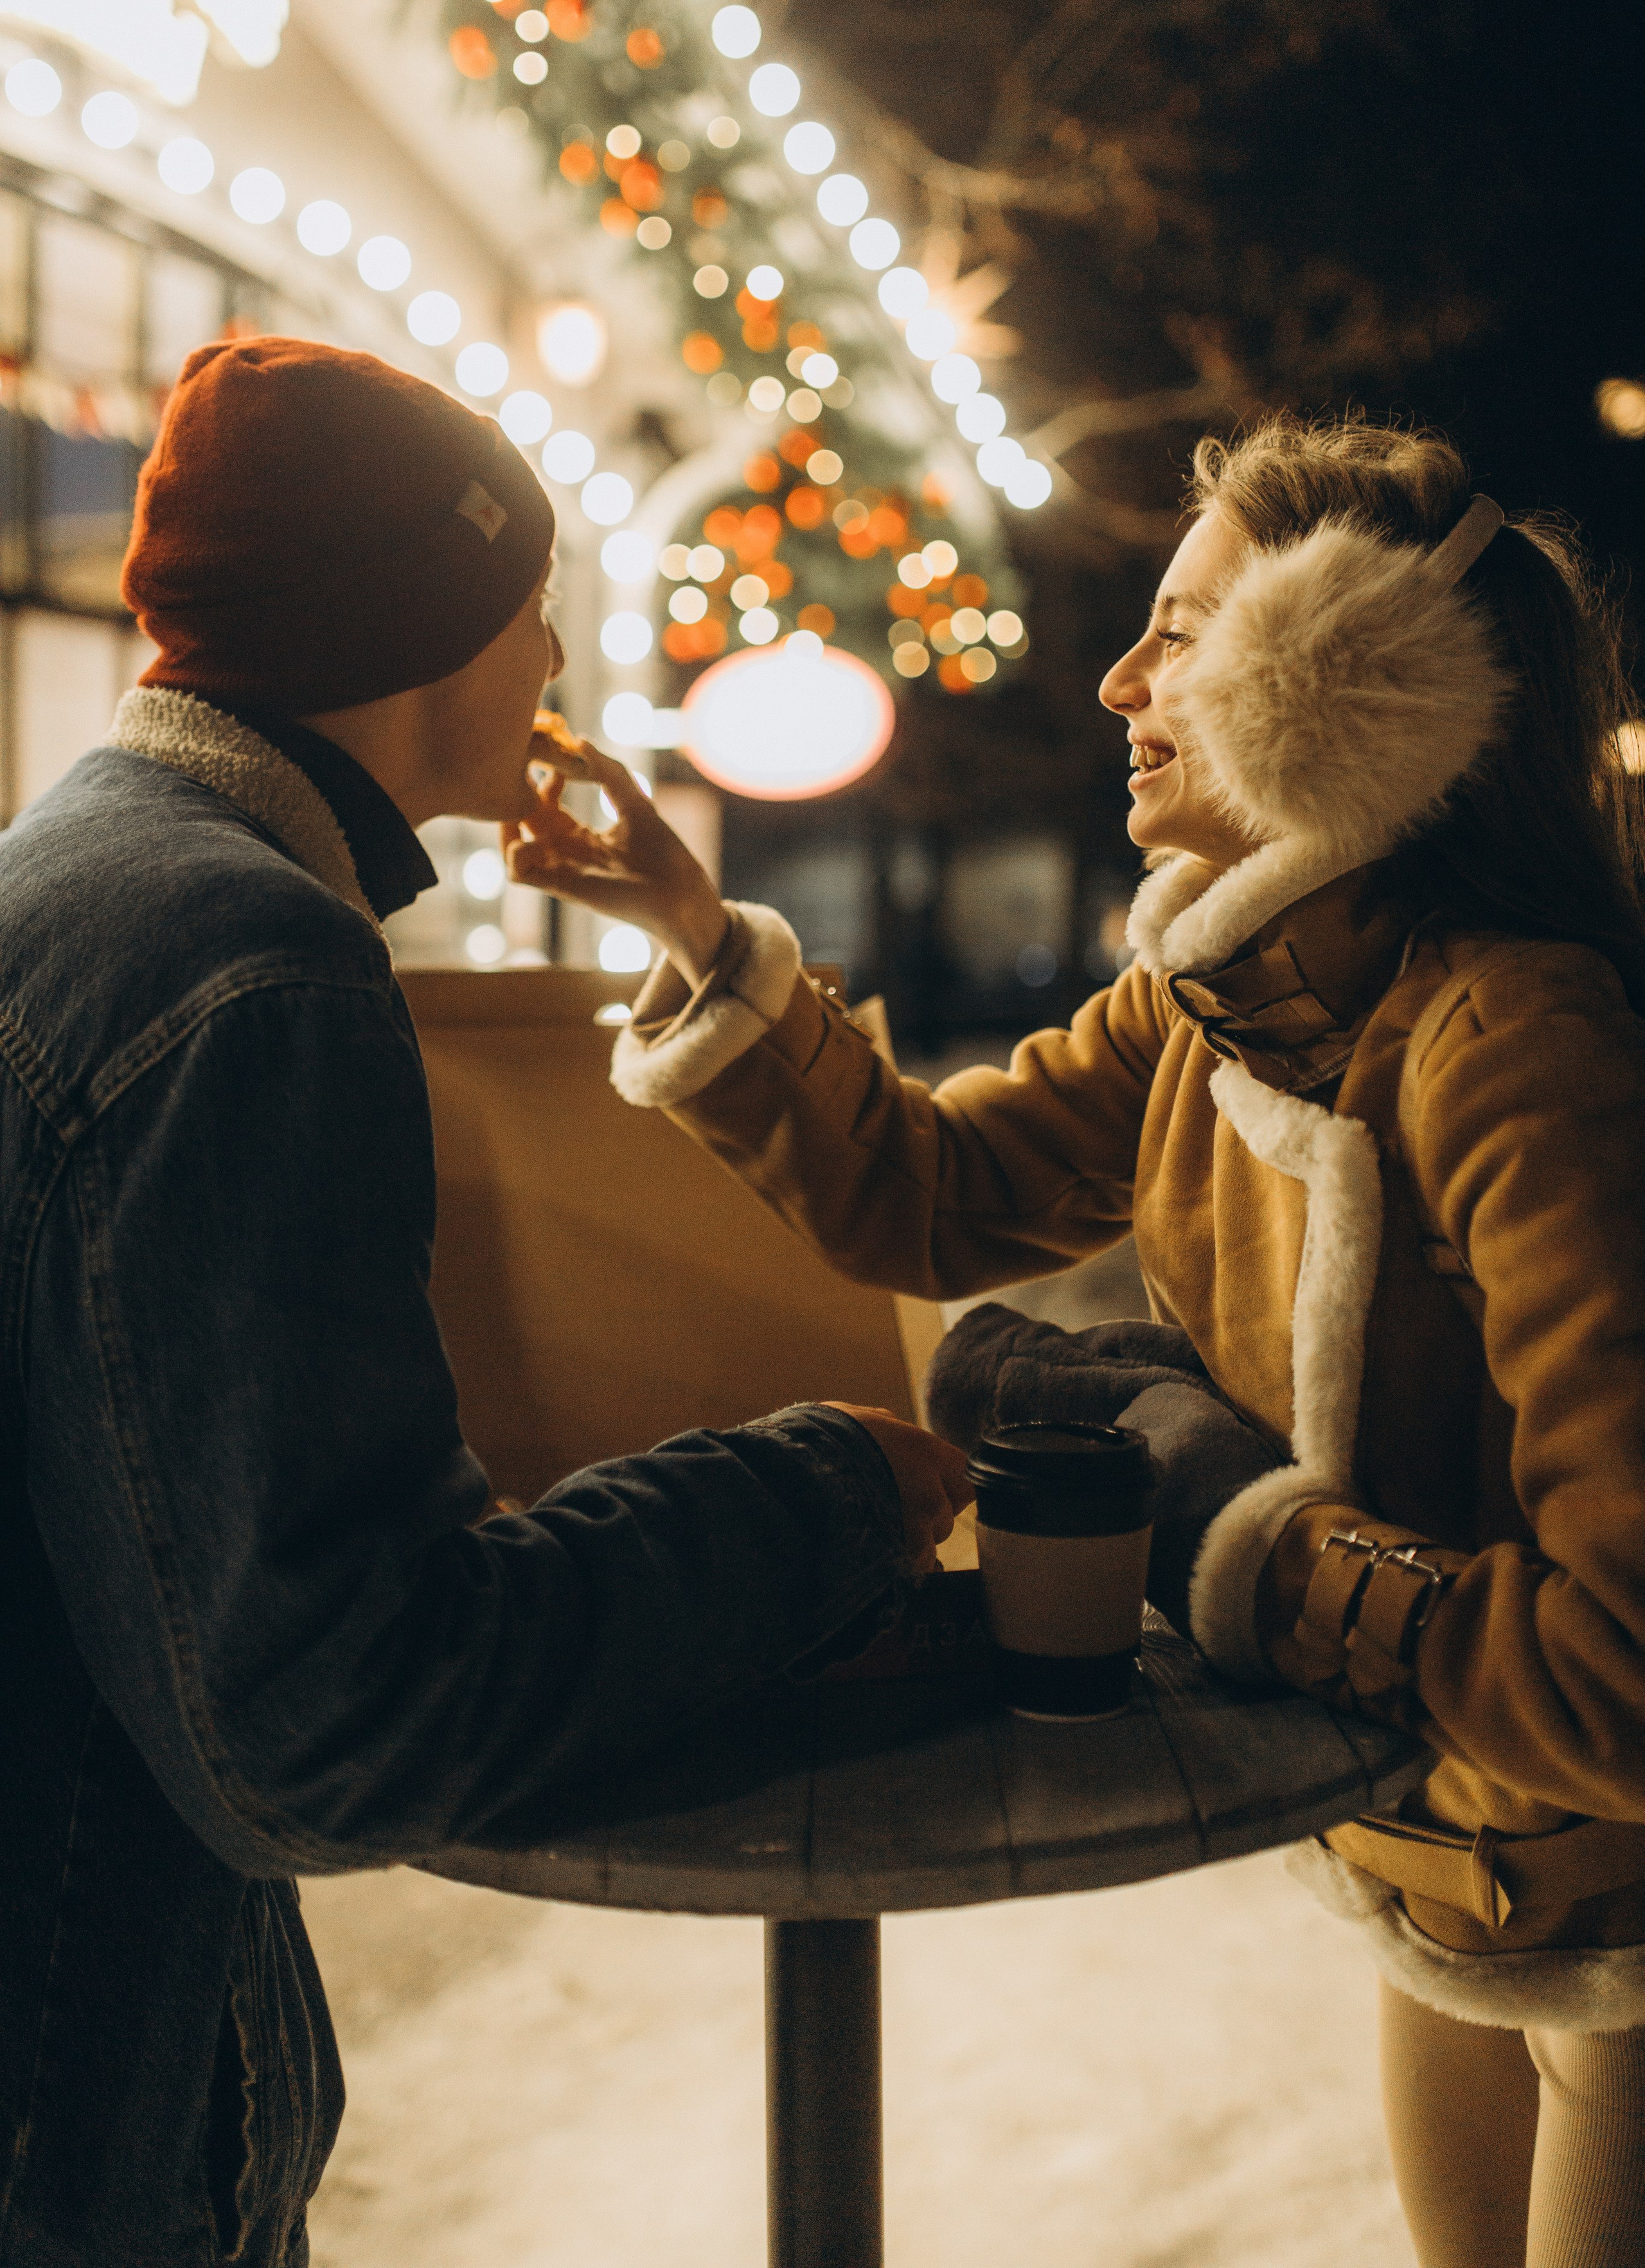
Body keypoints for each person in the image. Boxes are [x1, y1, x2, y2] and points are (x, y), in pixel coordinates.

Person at [512, 413, 1645, 2268]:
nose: (1121, 679)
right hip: (1432, 1852)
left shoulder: (1515, 1038)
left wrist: (1258, 1556)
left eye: (1184, 633)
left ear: (1346, 681)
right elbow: (933, 1202)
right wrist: (692, 927)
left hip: (1613, 1903)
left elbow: (1626, 1669)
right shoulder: (1204, 1005)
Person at [0, 336, 971, 2268]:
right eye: (527, 612)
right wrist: (822, 1492)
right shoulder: (255, 965)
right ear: (422, 631)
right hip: (82, 2118)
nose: (547, 667)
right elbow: (334, 1716)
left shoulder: (75, 871)